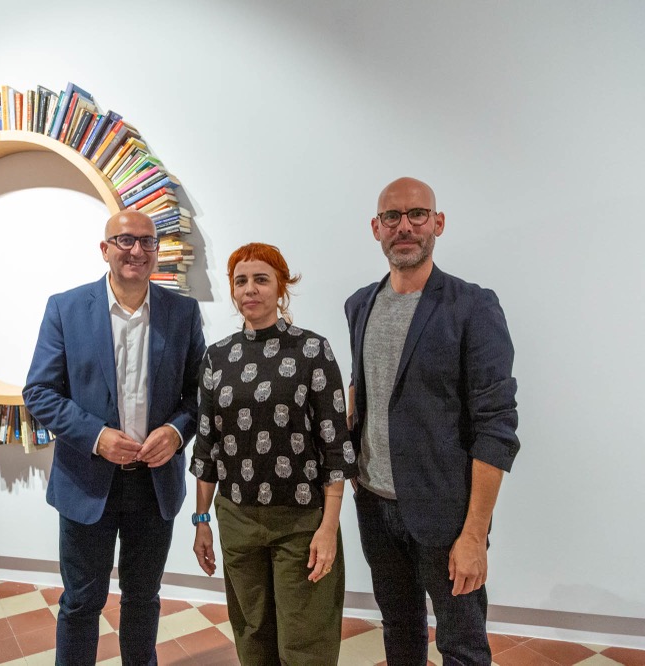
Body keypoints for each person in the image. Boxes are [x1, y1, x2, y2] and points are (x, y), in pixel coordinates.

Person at [344, 177, 520, 664]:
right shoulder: (360, 304)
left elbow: (496, 425)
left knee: (462, 645)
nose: (405, 226)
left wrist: (474, 534)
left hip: (446, 513)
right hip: (375, 506)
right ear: (376, 227)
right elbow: (363, 385)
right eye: (392, 217)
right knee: (400, 631)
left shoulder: (472, 306)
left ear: (437, 223)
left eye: (417, 214)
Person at [23, 209, 205, 665]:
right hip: (86, 482)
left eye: (147, 241)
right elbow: (39, 392)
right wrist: (97, 436)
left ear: (157, 251)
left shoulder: (182, 313)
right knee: (81, 602)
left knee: (143, 598)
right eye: (125, 240)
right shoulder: (65, 308)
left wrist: (176, 432)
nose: (136, 250)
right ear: (104, 249)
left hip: (154, 483)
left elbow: (200, 392)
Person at [191, 242, 358, 665]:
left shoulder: (312, 351)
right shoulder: (217, 358)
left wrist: (328, 527)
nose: (250, 289)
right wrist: (201, 521)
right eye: (241, 281)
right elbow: (207, 446)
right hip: (237, 520)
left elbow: (335, 445)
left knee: (305, 640)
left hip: (300, 521)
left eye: (261, 279)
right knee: (252, 634)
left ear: (281, 286)